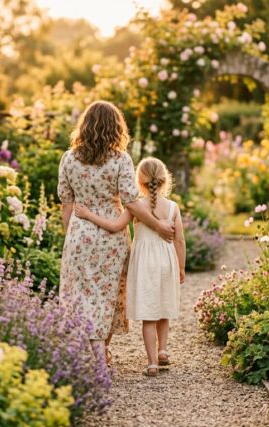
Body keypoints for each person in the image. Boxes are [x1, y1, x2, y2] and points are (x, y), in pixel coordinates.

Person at [57, 101, 175, 364]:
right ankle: (103, 350)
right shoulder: (120, 160)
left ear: (84, 126)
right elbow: (132, 202)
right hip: (111, 237)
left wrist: (71, 235)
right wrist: (158, 225)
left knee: (81, 293)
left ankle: (94, 351)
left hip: (80, 233)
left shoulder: (68, 158)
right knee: (108, 294)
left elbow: (66, 202)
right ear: (116, 128)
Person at [74, 157, 186, 377]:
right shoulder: (173, 207)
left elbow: (115, 226)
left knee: (149, 316)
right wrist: (181, 267)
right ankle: (163, 350)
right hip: (166, 261)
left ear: (140, 181)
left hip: (144, 264)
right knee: (164, 308)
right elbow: (180, 240)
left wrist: (88, 215)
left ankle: (152, 363)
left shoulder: (136, 207)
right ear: (164, 180)